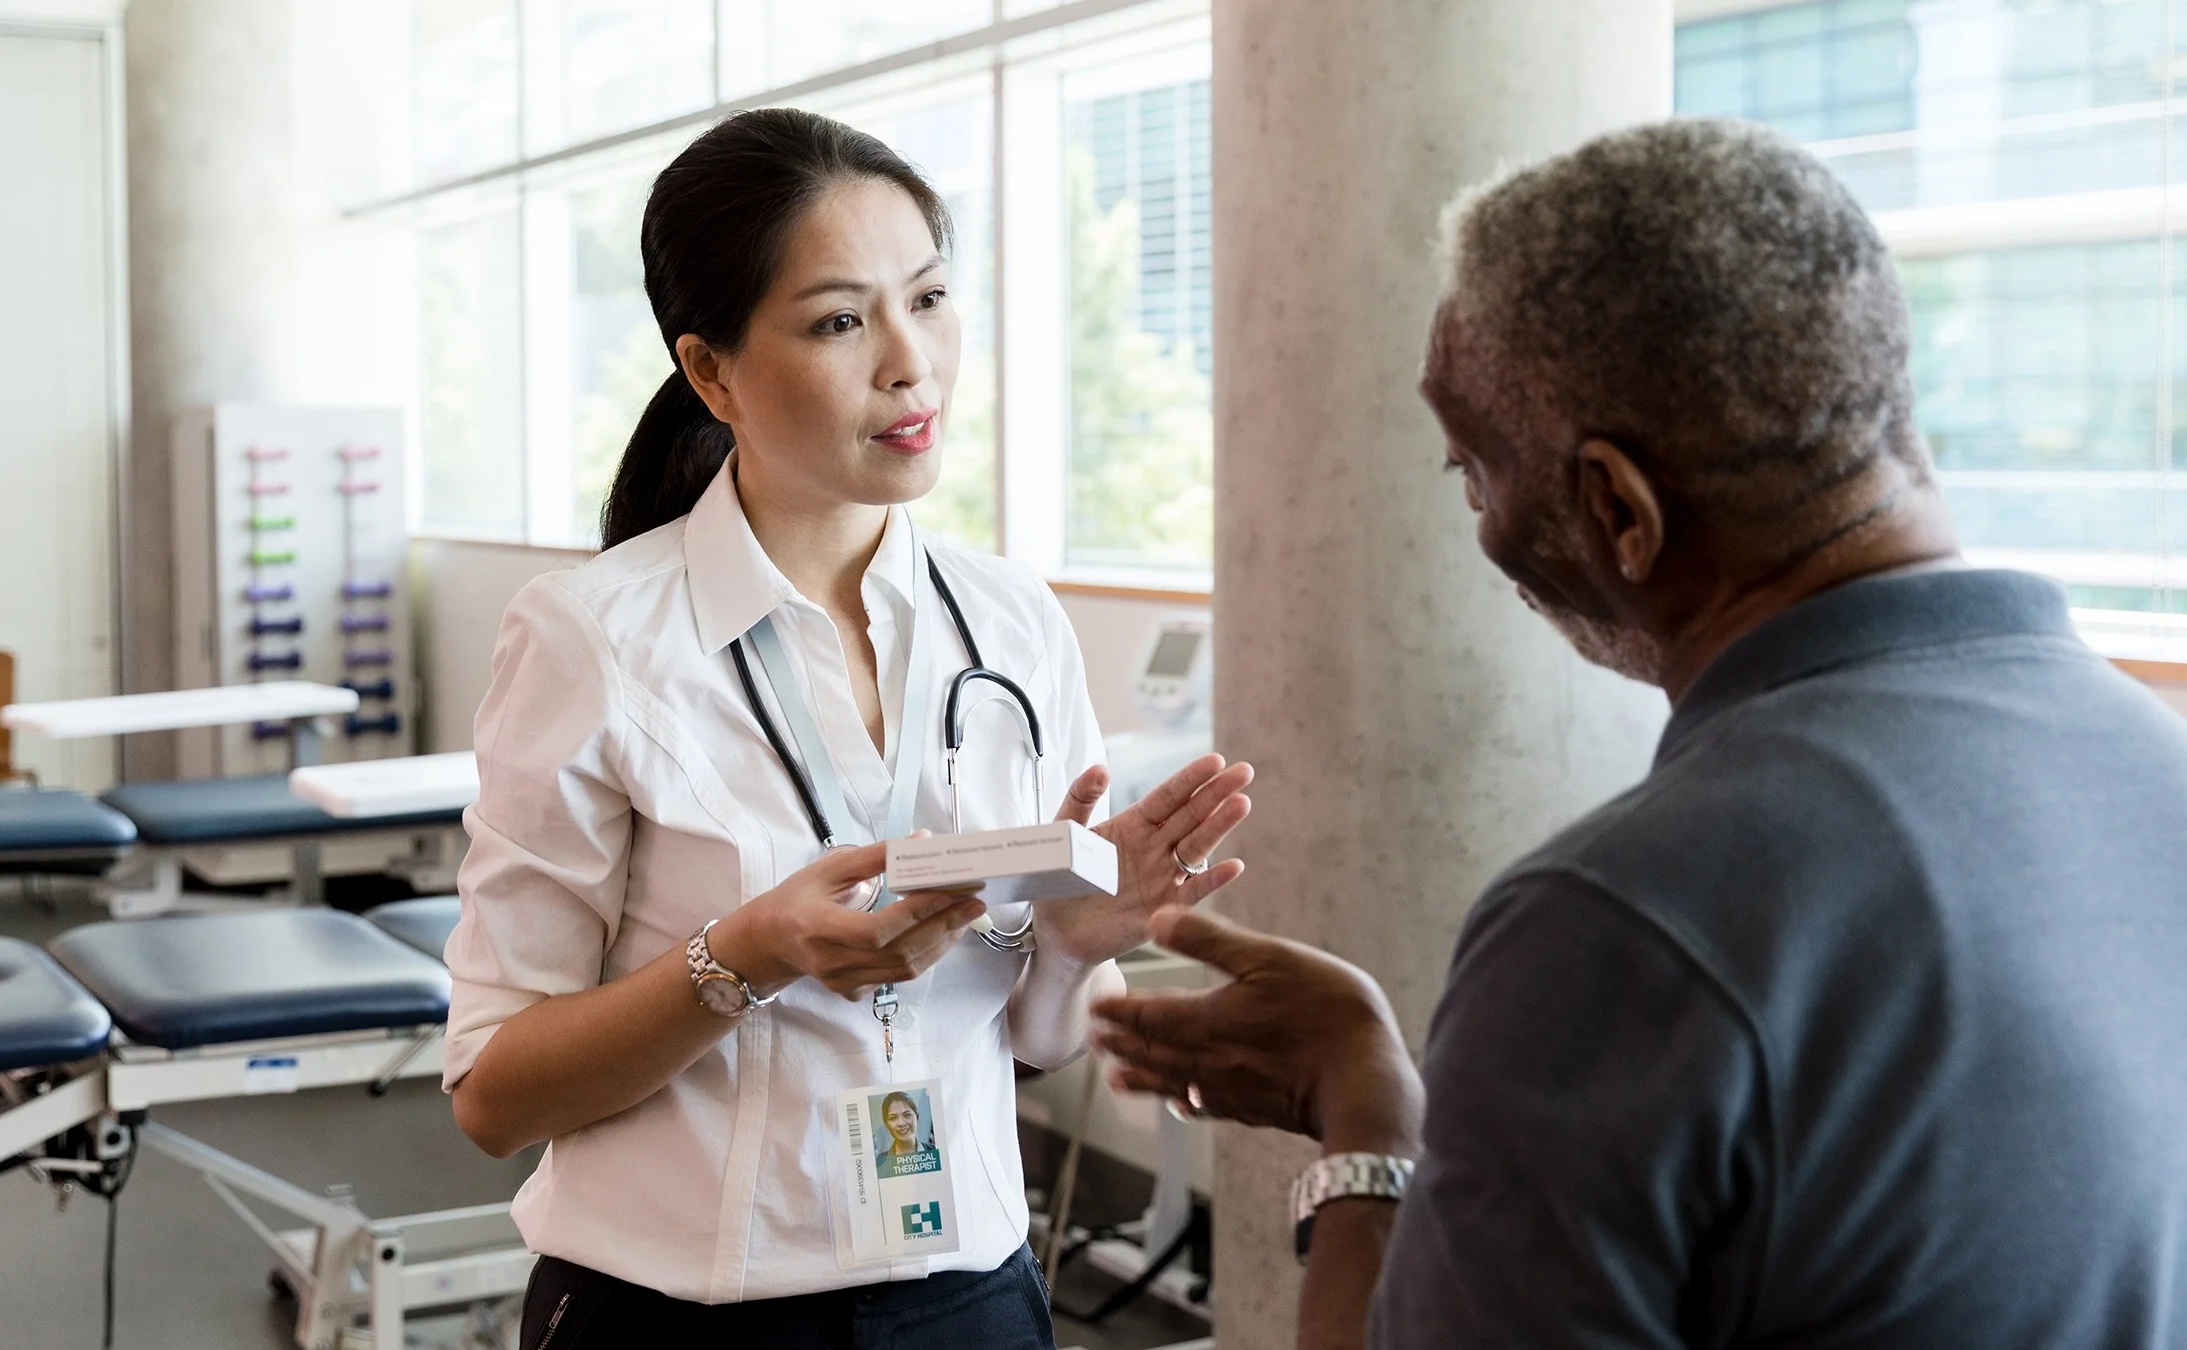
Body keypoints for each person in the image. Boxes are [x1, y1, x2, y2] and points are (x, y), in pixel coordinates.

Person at [1091, 118, 2187, 1349]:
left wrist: (1367, 1113)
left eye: (1471, 473)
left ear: (1619, 508)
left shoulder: (1619, 923)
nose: (1481, 528)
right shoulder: (2151, 761)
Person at [442, 108, 1256, 1350]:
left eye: (928, 299)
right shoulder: (592, 635)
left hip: (973, 1295)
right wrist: (746, 957)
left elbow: (1023, 1038)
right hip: (684, 1314)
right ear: (712, 371)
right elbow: (496, 1094)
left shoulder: (1012, 622)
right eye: (839, 321)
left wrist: (1080, 940)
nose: (909, 363)